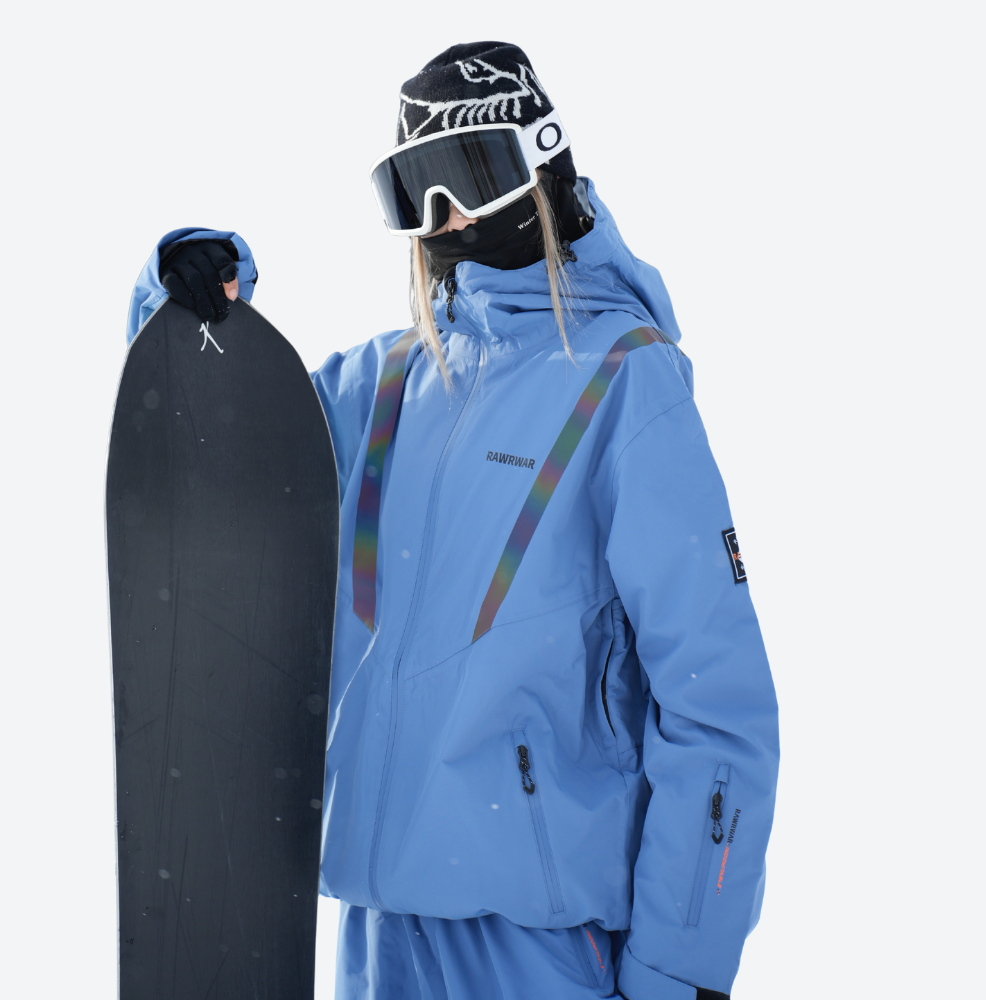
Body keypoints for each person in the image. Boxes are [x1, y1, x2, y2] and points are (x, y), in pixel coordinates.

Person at [125, 42, 779, 1000]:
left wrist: (679, 968)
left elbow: (715, 700)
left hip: (540, 947)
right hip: (379, 933)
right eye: (416, 190)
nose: (448, 215)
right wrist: (183, 308)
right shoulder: (382, 386)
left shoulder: (623, 381)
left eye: (471, 173)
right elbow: (212, 453)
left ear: (542, 168)